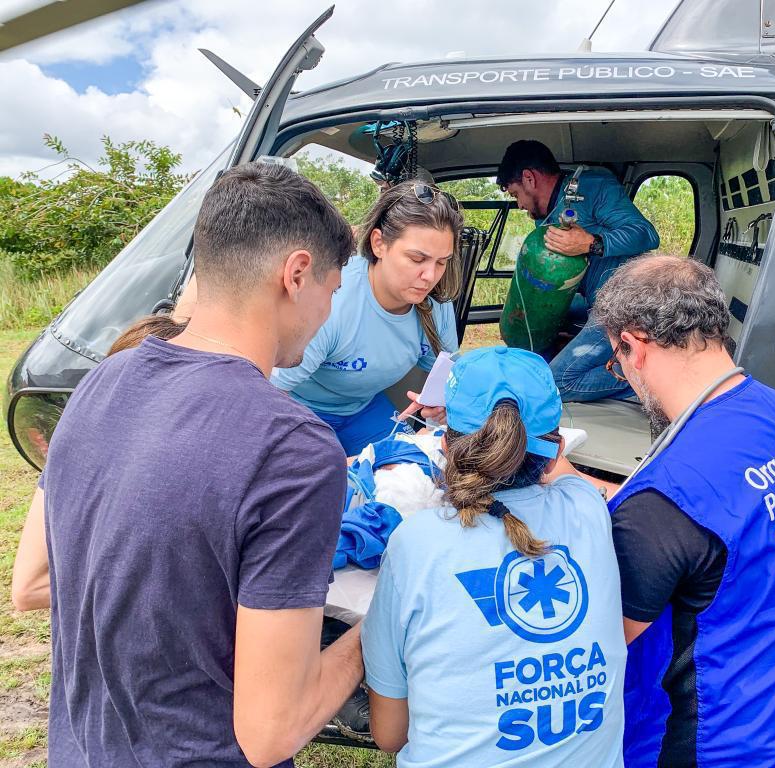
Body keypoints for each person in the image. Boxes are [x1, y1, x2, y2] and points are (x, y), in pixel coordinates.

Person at [11, 163, 365, 768]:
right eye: (334, 291)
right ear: (297, 274)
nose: (328, 311)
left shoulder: (101, 381)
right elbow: (271, 731)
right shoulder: (296, 451)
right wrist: (380, 623)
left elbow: (32, 582)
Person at [588, 256, 775, 767]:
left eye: (617, 360)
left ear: (634, 345)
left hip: (725, 746)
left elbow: (597, 650)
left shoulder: (661, 510)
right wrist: (572, 479)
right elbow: (715, 517)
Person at [361, 346, 628, 767]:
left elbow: (390, 734)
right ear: (557, 449)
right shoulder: (587, 508)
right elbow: (563, 475)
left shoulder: (417, 542)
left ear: (445, 446)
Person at [271, 180, 463, 455]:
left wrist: (442, 405)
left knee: (410, 467)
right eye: (417, 259)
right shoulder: (335, 302)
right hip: (303, 411)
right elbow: (270, 393)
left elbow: (447, 377)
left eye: (441, 262)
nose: (430, 276)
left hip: (363, 408)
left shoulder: (436, 305)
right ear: (379, 244)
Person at [496, 139, 659, 402]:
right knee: (537, 319)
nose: (519, 205)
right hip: (596, 299)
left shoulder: (594, 187)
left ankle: (647, 379)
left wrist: (591, 243)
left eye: (516, 195)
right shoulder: (546, 218)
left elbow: (647, 234)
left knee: (559, 383)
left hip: (626, 304)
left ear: (529, 178)